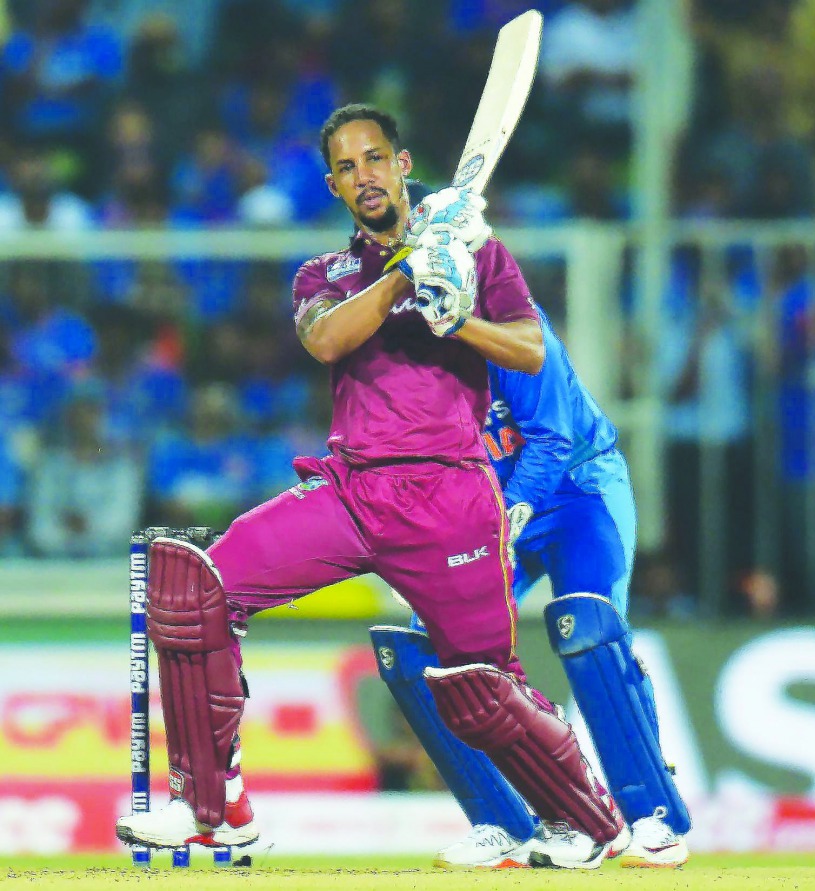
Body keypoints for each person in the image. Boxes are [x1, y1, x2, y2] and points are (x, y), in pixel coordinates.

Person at [116, 103, 628, 870]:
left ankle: (587, 822)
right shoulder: (325, 273)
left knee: (483, 690)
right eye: (348, 168)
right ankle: (214, 808)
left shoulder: (479, 257)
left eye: (376, 159)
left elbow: (526, 351)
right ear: (332, 185)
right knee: (196, 590)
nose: (365, 176)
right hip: (351, 492)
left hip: (452, 500)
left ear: (403, 162)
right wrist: (402, 279)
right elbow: (325, 336)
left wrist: (460, 319)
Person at [371, 291, 690, 868]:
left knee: (592, 630)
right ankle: (504, 821)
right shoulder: (405, 354)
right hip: (488, 509)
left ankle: (651, 816)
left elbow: (552, 437)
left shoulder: (513, 322)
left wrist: (507, 514)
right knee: (435, 649)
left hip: (578, 487)